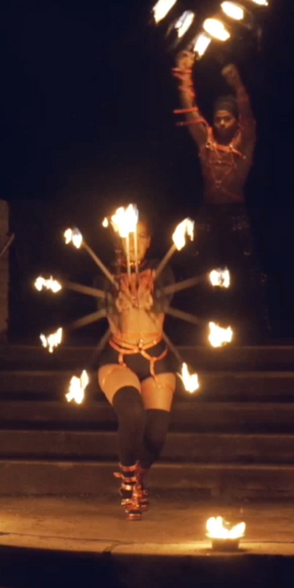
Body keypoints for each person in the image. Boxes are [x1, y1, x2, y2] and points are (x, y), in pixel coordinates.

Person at [171, 52, 270, 339]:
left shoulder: (245, 142)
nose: (223, 123)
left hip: (236, 215)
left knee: (245, 276)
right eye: (218, 119)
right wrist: (184, 73)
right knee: (203, 273)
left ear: (235, 122)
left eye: (228, 119)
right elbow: (190, 112)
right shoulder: (207, 143)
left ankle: (254, 332)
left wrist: (238, 84)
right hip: (209, 215)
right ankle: (204, 330)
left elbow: (249, 117)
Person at [95, 218, 176, 520]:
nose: (135, 243)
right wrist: (119, 301)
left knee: (156, 436)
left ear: (149, 241)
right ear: (120, 240)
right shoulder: (105, 275)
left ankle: (139, 476)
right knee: (132, 413)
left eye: (141, 237)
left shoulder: (162, 270)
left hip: (157, 360)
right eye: (129, 237)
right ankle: (128, 481)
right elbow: (110, 312)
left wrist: (149, 297)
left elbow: (162, 302)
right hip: (119, 359)